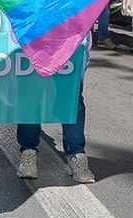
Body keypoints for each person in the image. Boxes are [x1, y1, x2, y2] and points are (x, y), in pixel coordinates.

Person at [16, 53, 95, 184]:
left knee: (71, 96)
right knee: (30, 94)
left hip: (68, 42)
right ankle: (28, 151)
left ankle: (76, 154)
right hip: (33, 40)